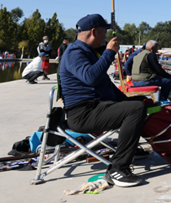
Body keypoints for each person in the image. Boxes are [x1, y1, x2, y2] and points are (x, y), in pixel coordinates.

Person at [59, 13, 148, 188]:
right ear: (93, 32)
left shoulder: (88, 52)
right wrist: (109, 53)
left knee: (138, 105)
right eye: (104, 32)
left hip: (96, 108)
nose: (106, 37)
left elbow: (106, 85)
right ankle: (117, 169)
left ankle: (127, 149)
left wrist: (133, 99)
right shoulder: (75, 52)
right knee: (135, 110)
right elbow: (90, 78)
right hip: (82, 114)